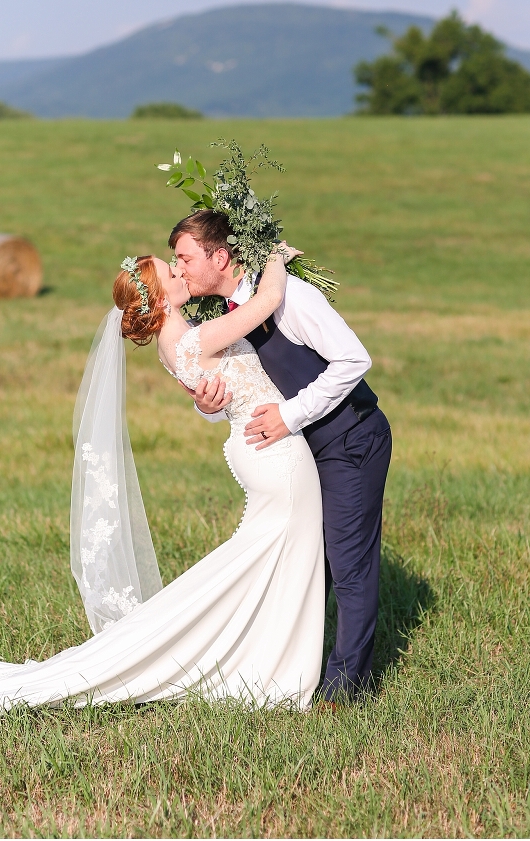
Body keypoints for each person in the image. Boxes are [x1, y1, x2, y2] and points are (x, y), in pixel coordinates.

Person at [0, 244, 327, 733]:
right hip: (273, 455)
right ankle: (267, 668)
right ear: (158, 299)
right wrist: (274, 257)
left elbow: (218, 388)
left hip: (262, 448)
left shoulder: (178, 340)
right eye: (169, 272)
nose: (179, 271)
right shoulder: (189, 340)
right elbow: (263, 304)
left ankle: (264, 660)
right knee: (269, 557)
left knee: (267, 559)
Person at [170, 211, 392, 702]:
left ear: (220, 256)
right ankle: (283, 664)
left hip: (351, 437)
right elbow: (243, 392)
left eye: (185, 258)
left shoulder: (294, 297)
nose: (178, 268)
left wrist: (290, 417)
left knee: (348, 564)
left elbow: (354, 361)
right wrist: (208, 406)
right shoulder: (225, 314)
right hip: (306, 448)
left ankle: (343, 693)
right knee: (307, 559)